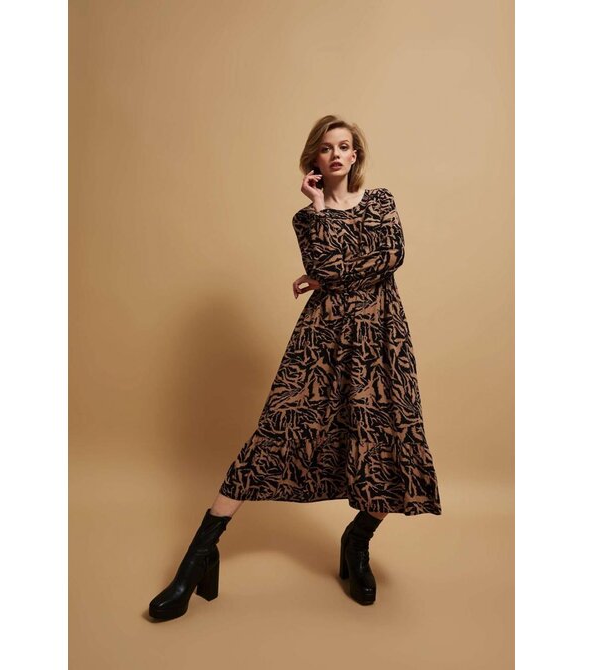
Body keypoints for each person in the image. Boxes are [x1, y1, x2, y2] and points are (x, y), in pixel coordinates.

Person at [148, 115, 442, 621]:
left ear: (355, 155)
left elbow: (391, 257)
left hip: (380, 340)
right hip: (321, 340)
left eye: (344, 146)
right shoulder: (307, 218)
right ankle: (196, 559)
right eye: (327, 148)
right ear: (314, 159)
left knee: (387, 445)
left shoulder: (381, 201)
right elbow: (328, 267)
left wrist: (329, 274)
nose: (336, 154)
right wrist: (321, 215)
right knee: (273, 434)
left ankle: (357, 540)